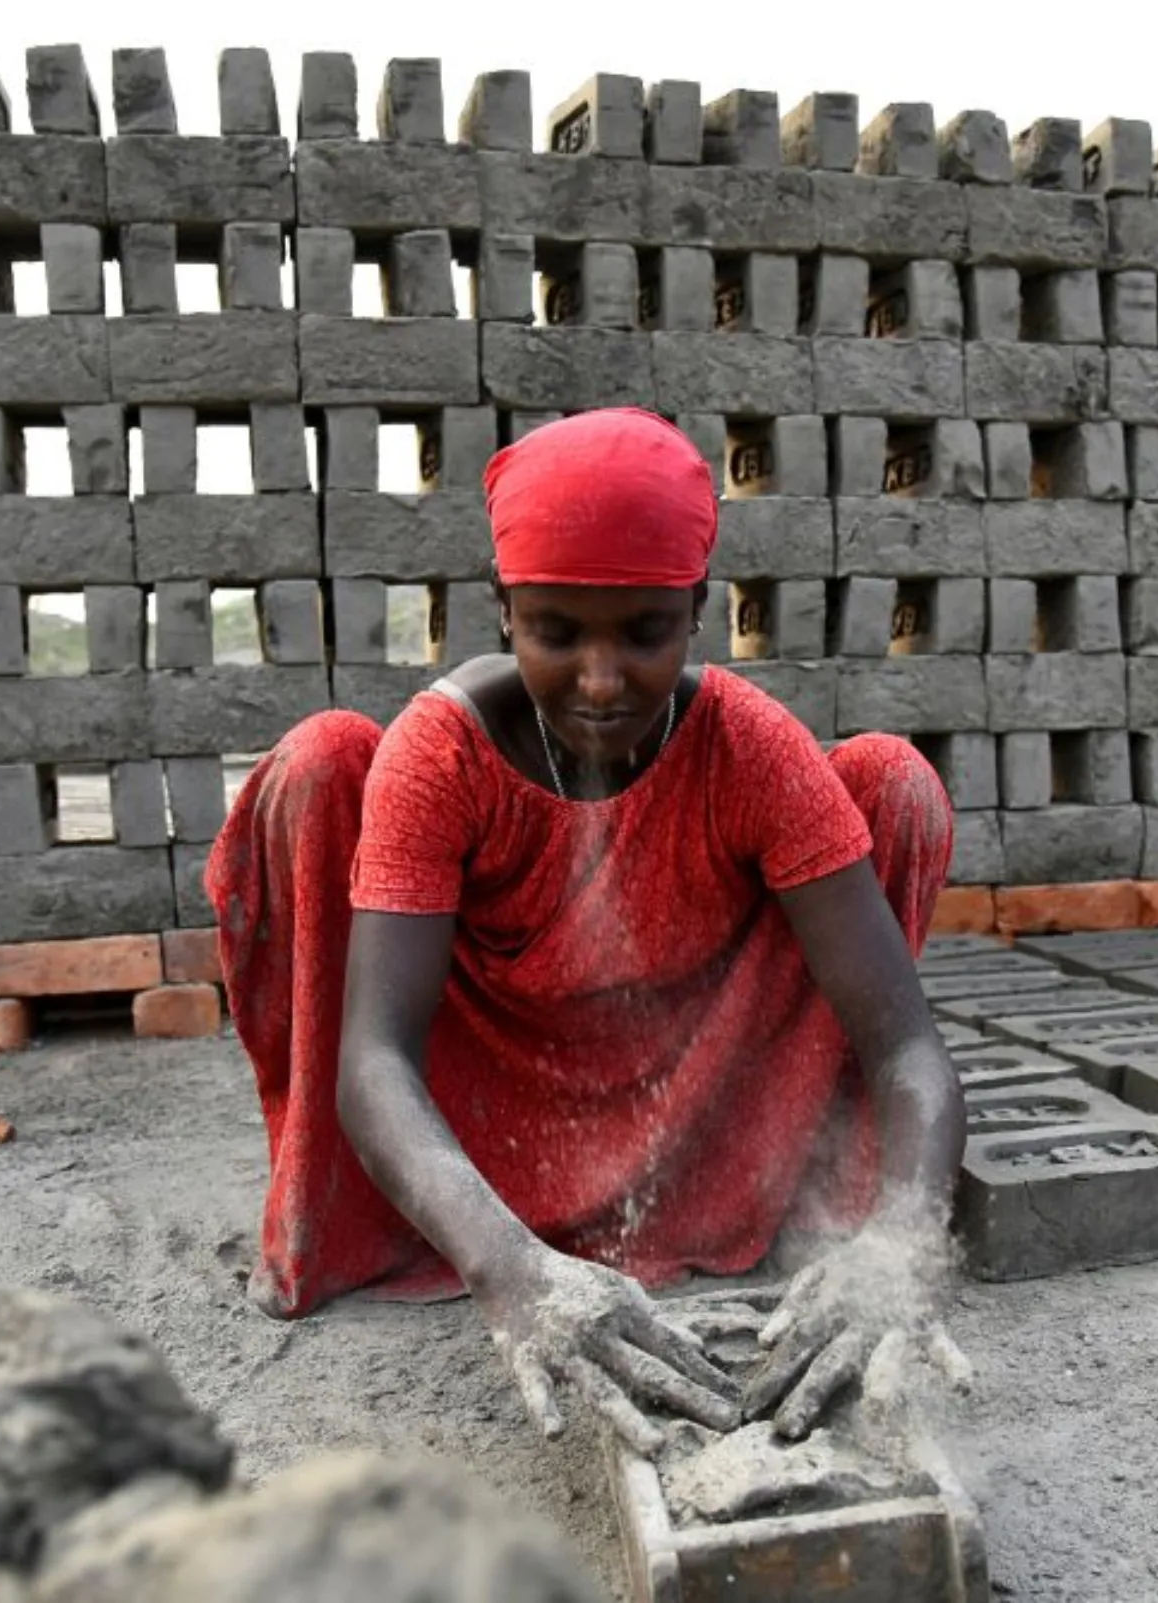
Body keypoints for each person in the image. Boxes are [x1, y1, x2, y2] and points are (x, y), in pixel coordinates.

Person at [206, 408, 970, 1453]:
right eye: (556, 633)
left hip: (687, 1110)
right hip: (483, 1116)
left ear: (699, 611)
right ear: (502, 608)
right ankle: (458, 1235)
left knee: (892, 781)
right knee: (323, 753)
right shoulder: (442, 754)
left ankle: (779, 1214)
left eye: (644, 633)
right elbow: (374, 1060)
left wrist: (897, 1250)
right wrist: (512, 1273)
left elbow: (908, 1046)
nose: (601, 681)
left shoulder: (748, 746)